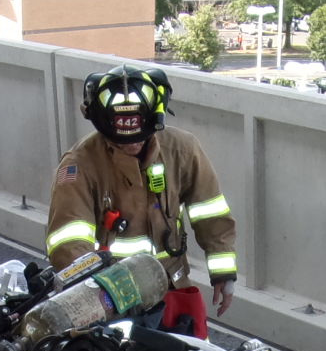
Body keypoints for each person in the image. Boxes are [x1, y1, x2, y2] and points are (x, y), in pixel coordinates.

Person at [45, 64, 239, 315]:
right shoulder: (78, 166)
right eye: (121, 141)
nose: (132, 145)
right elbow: (68, 242)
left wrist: (223, 272)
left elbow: (211, 214)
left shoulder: (182, 150)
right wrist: (95, 298)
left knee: (191, 341)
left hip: (172, 287)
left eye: (140, 137)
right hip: (112, 299)